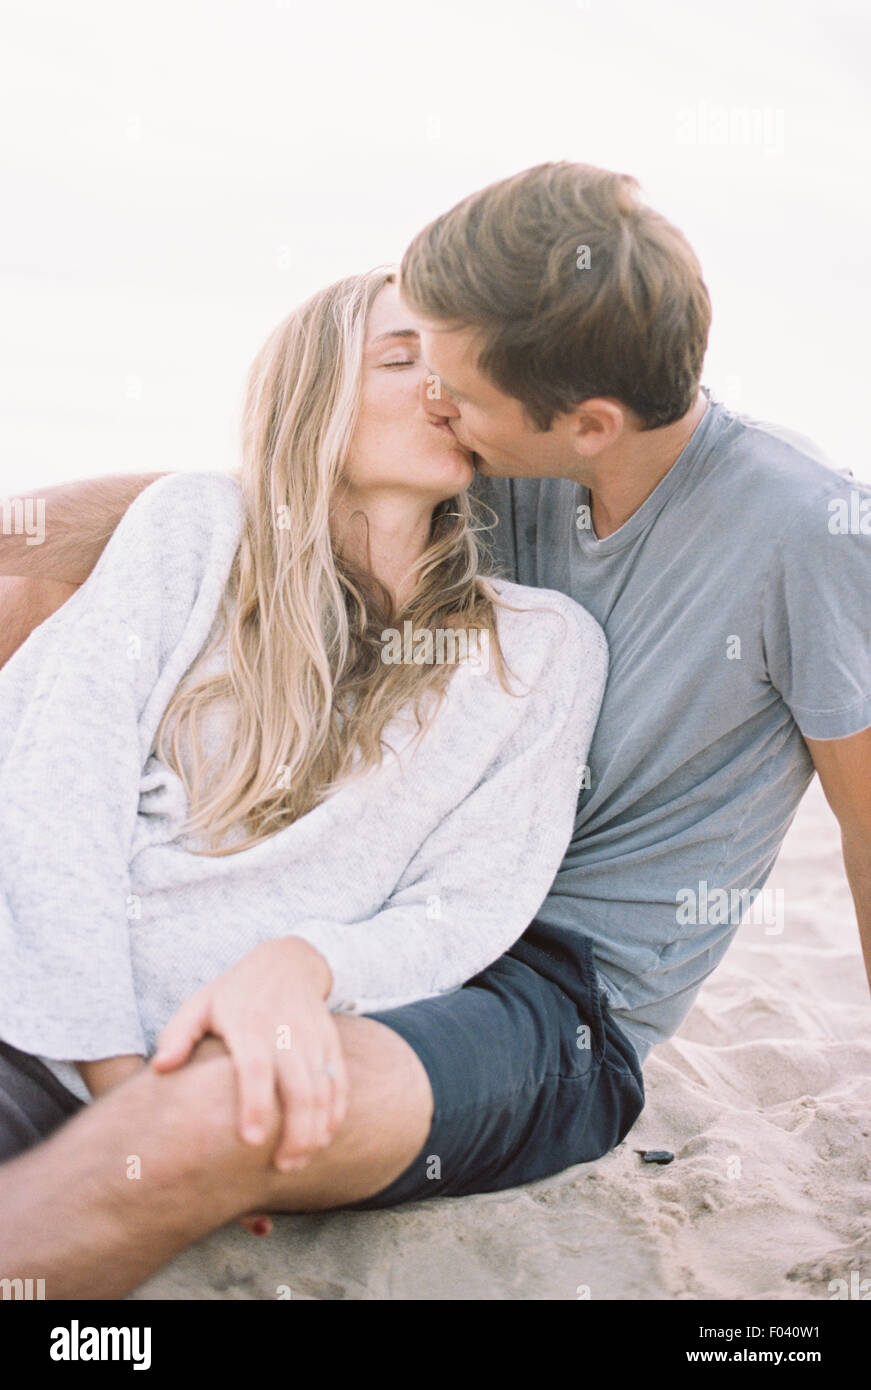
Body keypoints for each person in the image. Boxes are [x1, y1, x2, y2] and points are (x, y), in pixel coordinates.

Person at [2, 161, 869, 1301]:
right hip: (342, 922)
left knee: (228, 1103)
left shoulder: (795, 536)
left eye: (453, 377)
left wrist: (290, 971)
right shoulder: (501, 452)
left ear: (582, 424)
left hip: (553, 990)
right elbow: (296, 491)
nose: (438, 397)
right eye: (408, 361)